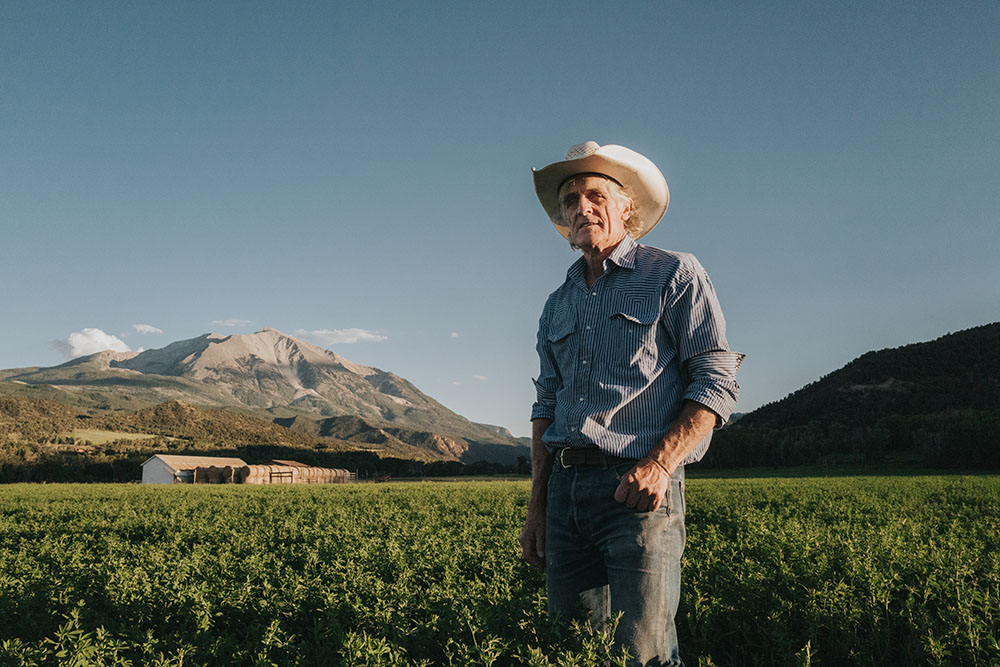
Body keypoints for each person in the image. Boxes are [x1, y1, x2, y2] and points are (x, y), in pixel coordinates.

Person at [520, 141, 743, 666]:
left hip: (636, 490)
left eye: (595, 195)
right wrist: (537, 503)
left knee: (643, 653)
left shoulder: (673, 274)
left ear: (627, 209)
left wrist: (661, 463)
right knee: (569, 651)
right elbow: (546, 403)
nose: (581, 207)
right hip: (564, 494)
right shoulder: (559, 302)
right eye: (570, 199)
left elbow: (715, 377)